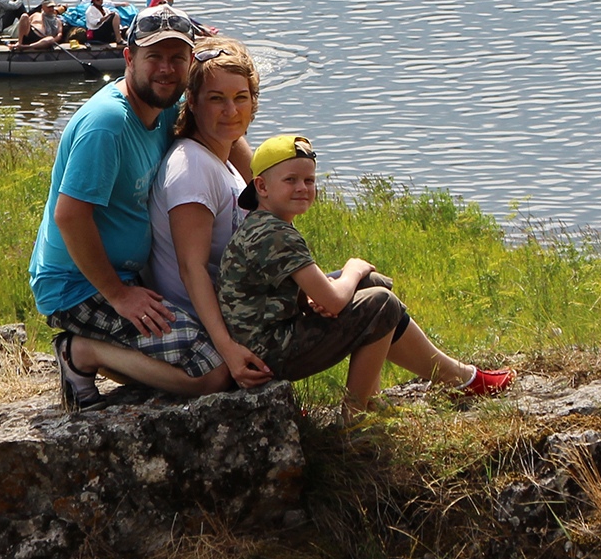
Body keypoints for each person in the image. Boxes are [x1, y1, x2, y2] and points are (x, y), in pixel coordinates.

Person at [31, 6, 249, 408]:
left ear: (188, 64)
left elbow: (223, 132)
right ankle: (81, 352)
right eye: (154, 57)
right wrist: (119, 296)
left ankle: (115, 353)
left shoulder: (165, 105)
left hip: (130, 275)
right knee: (213, 372)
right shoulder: (108, 124)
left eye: (177, 58)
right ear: (129, 58)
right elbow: (70, 215)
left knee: (235, 341)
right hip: (78, 285)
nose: (165, 69)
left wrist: (258, 194)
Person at [219, 135, 513, 412]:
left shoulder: (262, 222)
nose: (303, 188)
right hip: (267, 357)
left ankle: (448, 378)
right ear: (262, 186)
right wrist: (353, 267)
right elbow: (333, 302)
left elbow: (275, 291)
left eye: (309, 180)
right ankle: (356, 414)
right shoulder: (276, 234)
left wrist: (312, 297)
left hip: (266, 342)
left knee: (370, 284)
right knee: (380, 303)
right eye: (290, 180)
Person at [151, 41, 272, 390]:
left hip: (238, 308)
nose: (231, 110)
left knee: (367, 287)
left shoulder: (221, 157)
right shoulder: (192, 169)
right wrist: (228, 350)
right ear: (192, 102)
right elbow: (192, 268)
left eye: (241, 98)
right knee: (374, 303)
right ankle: (357, 419)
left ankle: (364, 412)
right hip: (207, 322)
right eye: (216, 98)